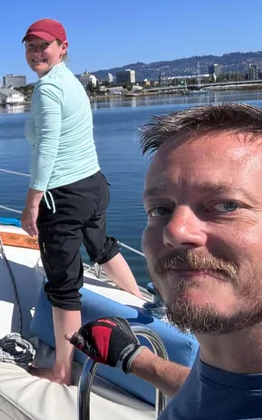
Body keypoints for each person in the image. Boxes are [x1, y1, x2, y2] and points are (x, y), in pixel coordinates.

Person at [68, 103, 262, 419]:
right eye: (160, 210)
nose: (175, 230)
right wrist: (135, 359)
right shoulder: (233, 366)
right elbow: (220, 393)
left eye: (226, 205)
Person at [19, 18, 143, 385]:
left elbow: (48, 148)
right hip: (93, 185)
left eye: (44, 45)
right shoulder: (71, 83)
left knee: (63, 284)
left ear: (63, 47)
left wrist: (32, 200)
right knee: (101, 246)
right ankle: (139, 299)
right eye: (30, 46)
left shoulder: (47, 91)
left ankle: (61, 370)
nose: (36, 52)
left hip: (64, 194)